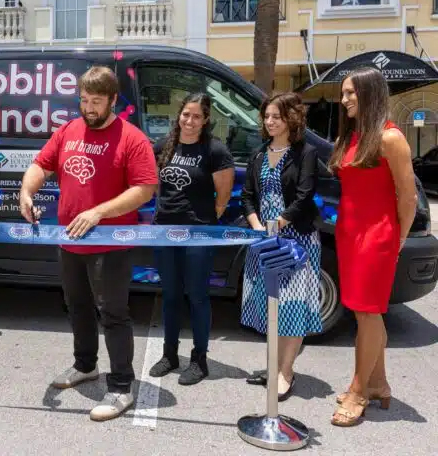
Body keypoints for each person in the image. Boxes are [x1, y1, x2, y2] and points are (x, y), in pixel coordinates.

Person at [19, 66, 157, 422]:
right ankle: (85, 366)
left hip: (110, 244)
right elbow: (41, 164)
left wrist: (98, 212)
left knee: (113, 313)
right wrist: (27, 190)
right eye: (83, 100)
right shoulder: (68, 130)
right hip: (69, 240)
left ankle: (122, 387)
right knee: (76, 306)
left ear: (113, 100)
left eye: (96, 102)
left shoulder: (132, 138)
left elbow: (144, 189)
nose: (89, 108)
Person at [329, 67, 417, 427]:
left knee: (366, 313)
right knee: (366, 312)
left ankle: (358, 390)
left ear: (370, 93)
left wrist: (398, 240)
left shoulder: (390, 138)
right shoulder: (355, 135)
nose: (345, 99)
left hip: (376, 237)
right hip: (349, 234)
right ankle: (378, 382)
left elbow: (407, 197)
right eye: (344, 93)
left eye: (351, 93)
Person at [240, 92, 322, 401]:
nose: (270, 121)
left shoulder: (306, 153)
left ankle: (286, 372)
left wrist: (279, 224)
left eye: (276, 116)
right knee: (270, 307)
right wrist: (259, 227)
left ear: (292, 118)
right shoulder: (259, 154)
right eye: (267, 116)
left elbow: (304, 196)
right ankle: (274, 367)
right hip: (265, 240)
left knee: (292, 307)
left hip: (295, 242)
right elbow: (247, 195)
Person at [148, 93, 234, 385]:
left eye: (197, 116)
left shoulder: (215, 150)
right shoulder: (163, 145)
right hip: (164, 233)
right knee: (170, 295)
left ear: (206, 120)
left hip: (199, 233)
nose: (190, 121)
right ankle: (169, 355)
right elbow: (152, 184)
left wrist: (204, 221)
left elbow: (222, 197)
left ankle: (199, 360)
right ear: (179, 114)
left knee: (197, 296)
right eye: (186, 114)